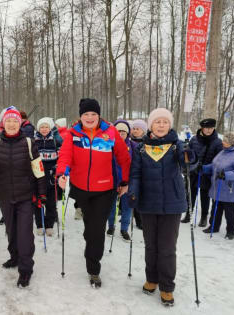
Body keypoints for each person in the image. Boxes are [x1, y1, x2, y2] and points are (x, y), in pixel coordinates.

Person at [57, 98, 131, 288]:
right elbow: (65, 155)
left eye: (93, 114)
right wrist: (61, 174)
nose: (89, 118)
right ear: (80, 116)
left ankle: (93, 269)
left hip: (104, 189)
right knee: (90, 228)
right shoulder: (73, 133)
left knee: (96, 230)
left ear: (99, 115)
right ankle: (91, 245)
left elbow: (124, 157)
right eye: (86, 114)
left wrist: (124, 180)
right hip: (81, 188)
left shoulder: (110, 132)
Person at [128, 107, 194, 306]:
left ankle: (166, 286)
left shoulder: (176, 145)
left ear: (170, 125)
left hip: (171, 204)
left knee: (166, 248)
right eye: (158, 122)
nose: (161, 125)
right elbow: (136, 174)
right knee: (151, 246)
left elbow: (188, 165)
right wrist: (133, 192)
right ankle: (152, 279)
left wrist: (189, 155)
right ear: (151, 125)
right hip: (148, 203)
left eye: (165, 122)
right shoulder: (142, 148)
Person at [0, 108, 46, 287]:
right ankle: (14, 257)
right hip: (5, 195)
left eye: (15, 121)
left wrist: (42, 193)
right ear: (3, 123)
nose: (11, 124)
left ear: (20, 123)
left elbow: (38, 169)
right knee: (11, 230)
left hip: (25, 195)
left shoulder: (29, 143)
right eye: (8, 121)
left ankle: (25, 269)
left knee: (24, 233)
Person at [202, 132, 234, 239]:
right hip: (218, 187)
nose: (223, 142)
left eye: (226, 141)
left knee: (230, 212)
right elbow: (215, 166)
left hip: (230, 188)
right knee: (216, 208)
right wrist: (204, 168)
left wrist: (226, 175)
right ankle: (213, 226)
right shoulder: (223, 151)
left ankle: (231, 231)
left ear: (232, 143)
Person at [181, 118, 223, 225]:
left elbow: (219, 159)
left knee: (205, 196)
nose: (209, 130)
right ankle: (188, 214)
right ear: (202, 128)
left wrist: (207, 168)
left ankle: (204, 217)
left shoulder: (217, 142)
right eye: (206, 128)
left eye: (211, 128)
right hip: (193, 171)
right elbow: (188, 154)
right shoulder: (194, 139)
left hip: (207, 173)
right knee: (190, 194)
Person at [106, 120, 137, 241]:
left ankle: (124, 229)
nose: (121, 134)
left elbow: (136, 164)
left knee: (127, 207)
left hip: (128, 182)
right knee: (112, 206)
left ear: (128, 133)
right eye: (118, 131)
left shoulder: (133, 146)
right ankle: (111, 226)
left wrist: (130, 182)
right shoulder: (109, 144)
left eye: (124, 132)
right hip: (112, 180)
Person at [34, 117, 62, 236]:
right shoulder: (34, 140)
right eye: (42, 127)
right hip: (38, 175)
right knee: (38, 202)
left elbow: (62, 156)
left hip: (51, 175)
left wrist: (57, 169)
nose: (44, 129)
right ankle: (40, 225)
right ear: (38, 128)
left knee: (51, 203)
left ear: (50, 128)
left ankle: (49, 225)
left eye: (46, 127)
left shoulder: (55, 139)